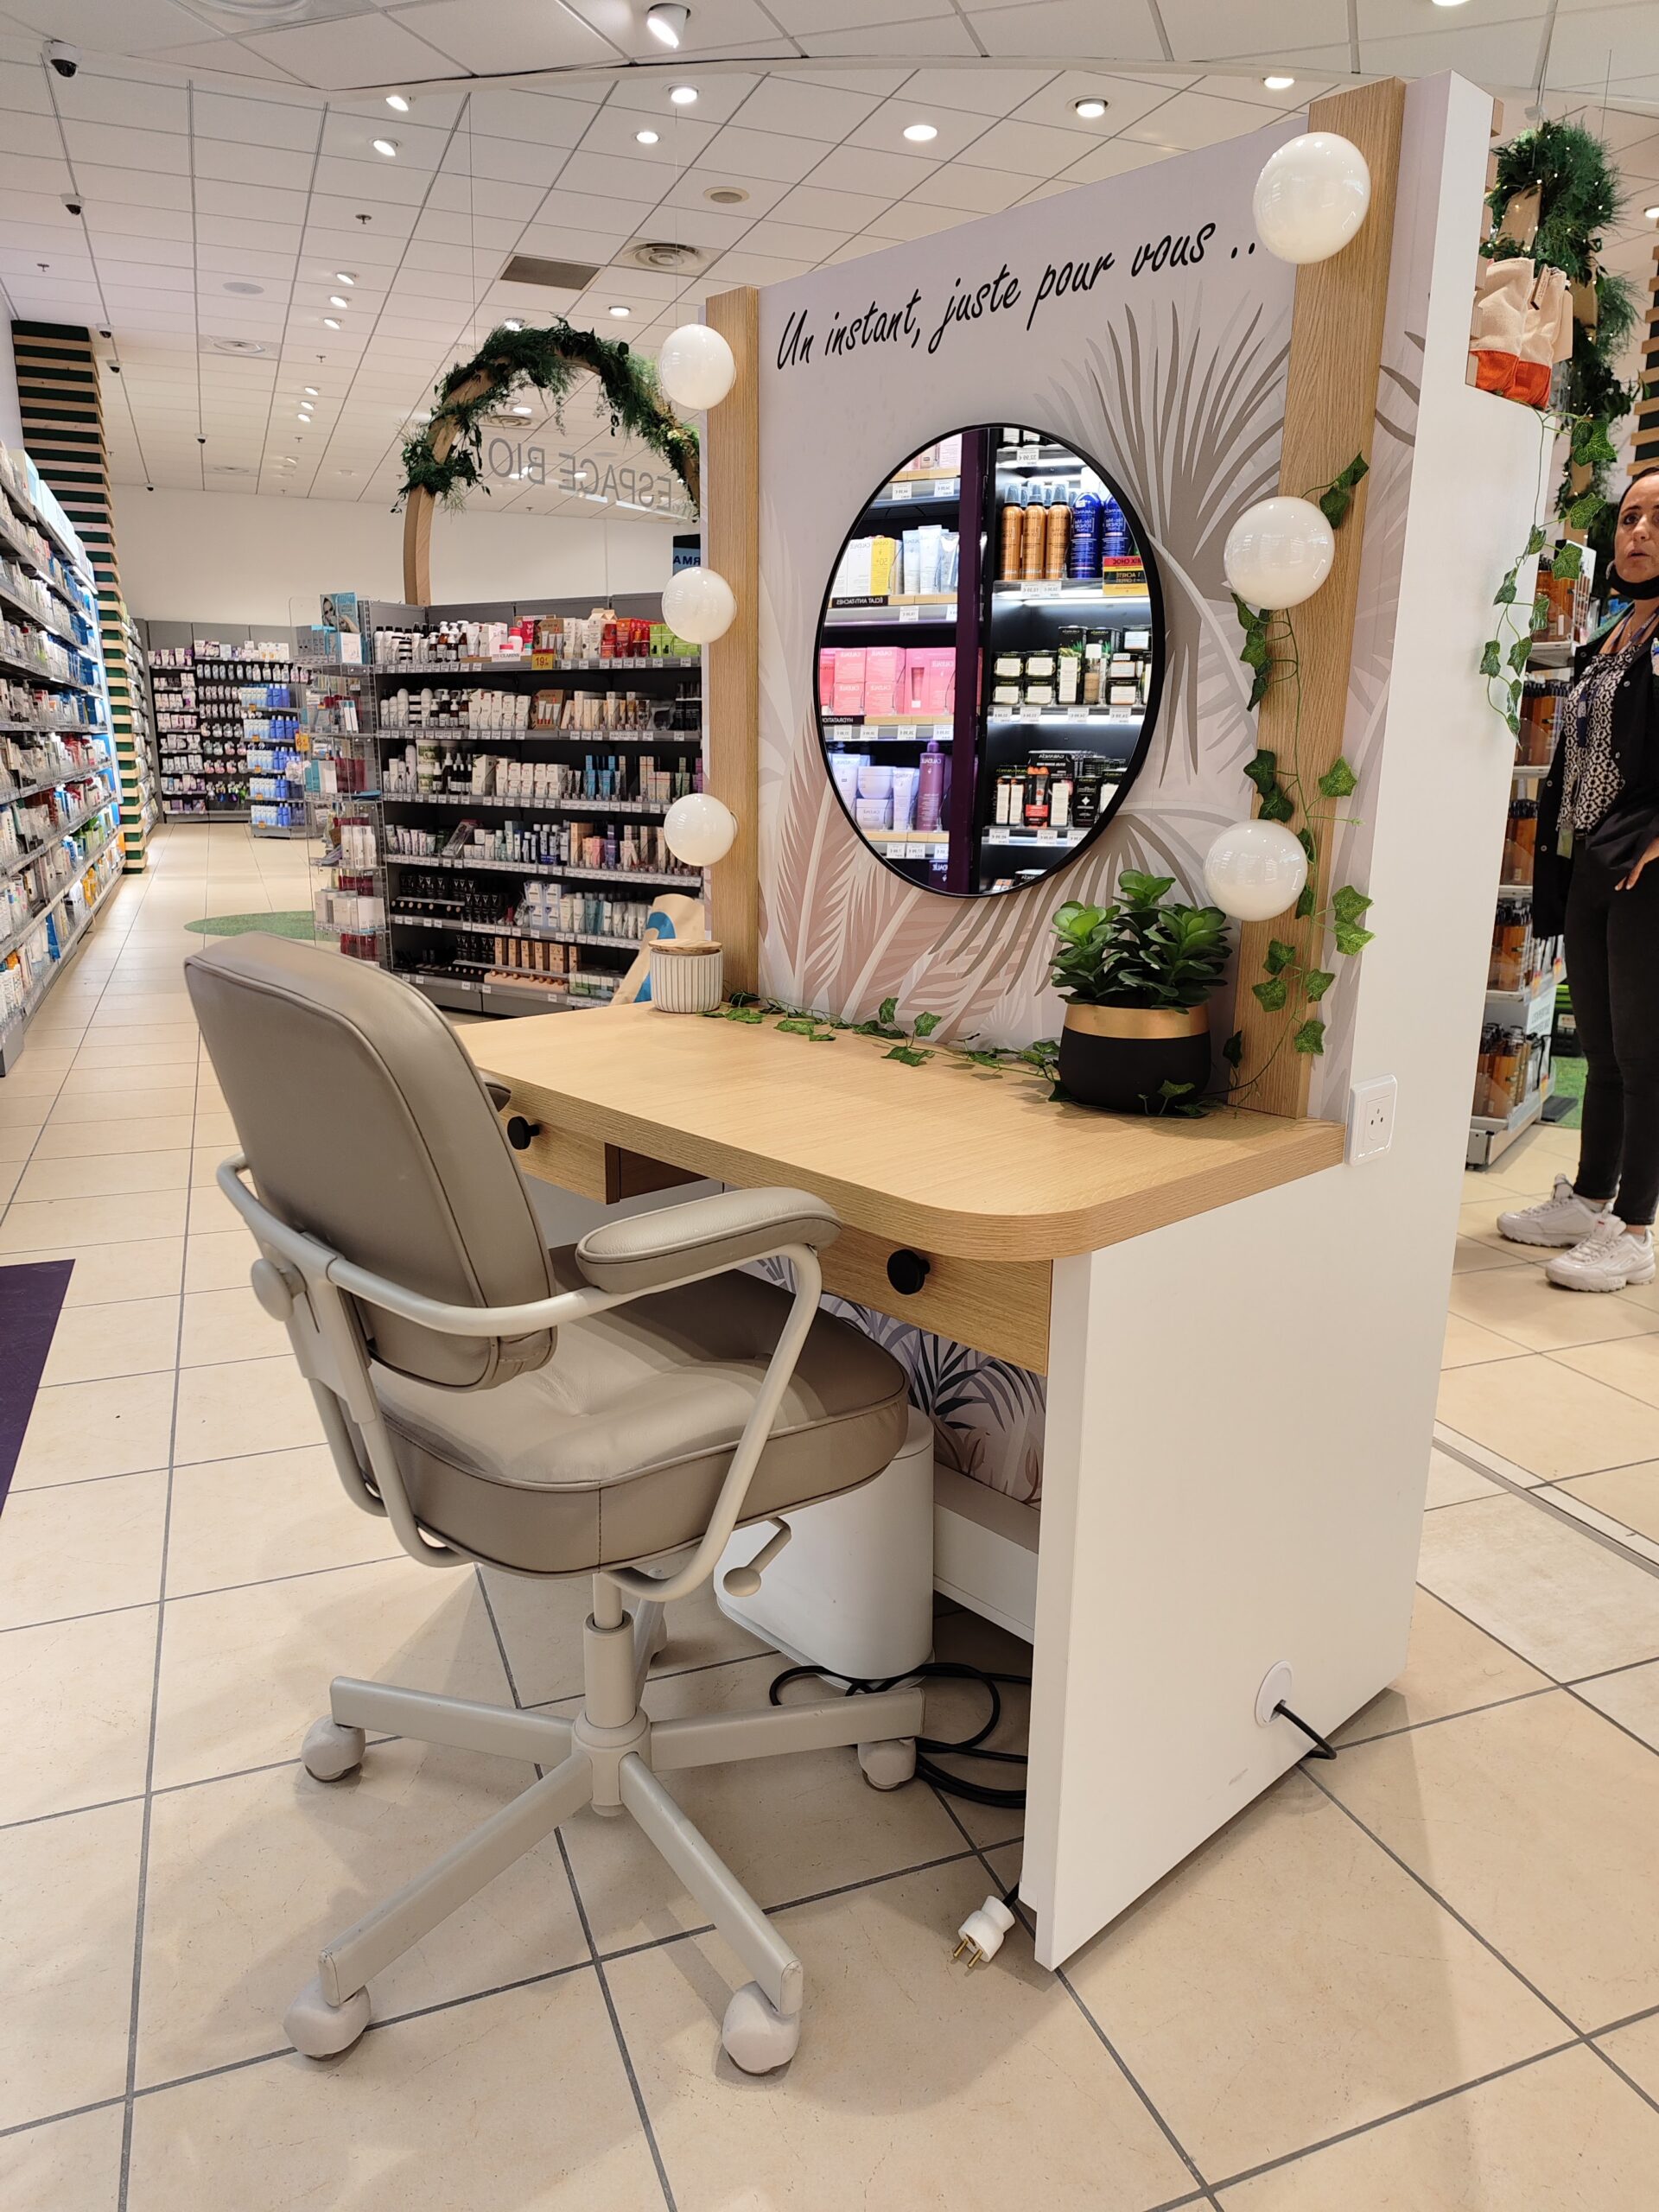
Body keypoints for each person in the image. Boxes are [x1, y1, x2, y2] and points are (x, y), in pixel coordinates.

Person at [1499, 466, 1659, 1289]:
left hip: (1645, 868)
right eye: (1630, 517)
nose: (1639, 532)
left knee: (1644, 1051)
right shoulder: (1617, 630)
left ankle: (1636, 1227)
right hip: (1592, 855)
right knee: (1599, 1046)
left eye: (1657, 518)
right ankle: (1591, 1197)